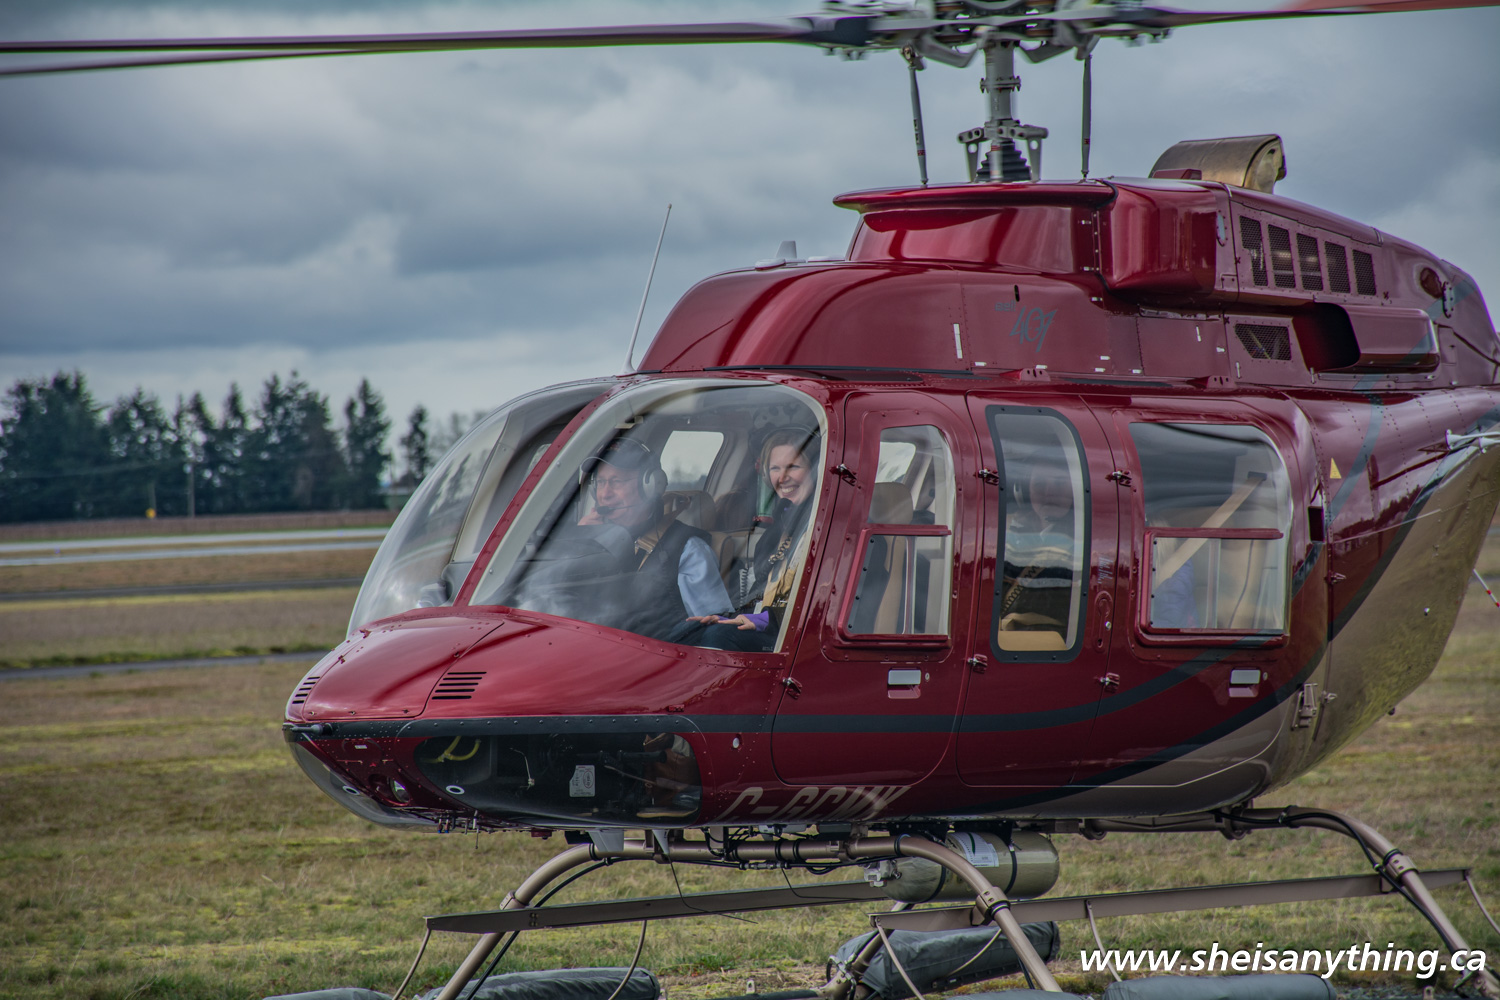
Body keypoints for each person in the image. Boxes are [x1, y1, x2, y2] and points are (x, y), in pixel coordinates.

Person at [574, 438, 734, 641]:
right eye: (601, 483)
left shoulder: (687, 549)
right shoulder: (590, 540)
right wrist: (581, 543)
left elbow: (715, 631)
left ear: (650, 485)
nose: (605, 494)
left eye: (616, 482)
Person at [683, 427, 821, 652]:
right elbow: (760, 597)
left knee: (719, 637)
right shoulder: (774, 535)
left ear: (816, 469)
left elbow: (824, 605)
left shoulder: (831, 529)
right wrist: (728, 618)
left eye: (793, 467)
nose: (782, 478)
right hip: (773, 628)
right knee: (689, 631)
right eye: (775, 468)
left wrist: (765, 620)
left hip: (801, 639)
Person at [999, 462, 1078, 634]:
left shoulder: (1085, 541)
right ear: (1025, 492)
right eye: (1040, 484)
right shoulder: (1010, 535)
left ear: (1075, 492)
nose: (1049, 492)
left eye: (1060, 484)